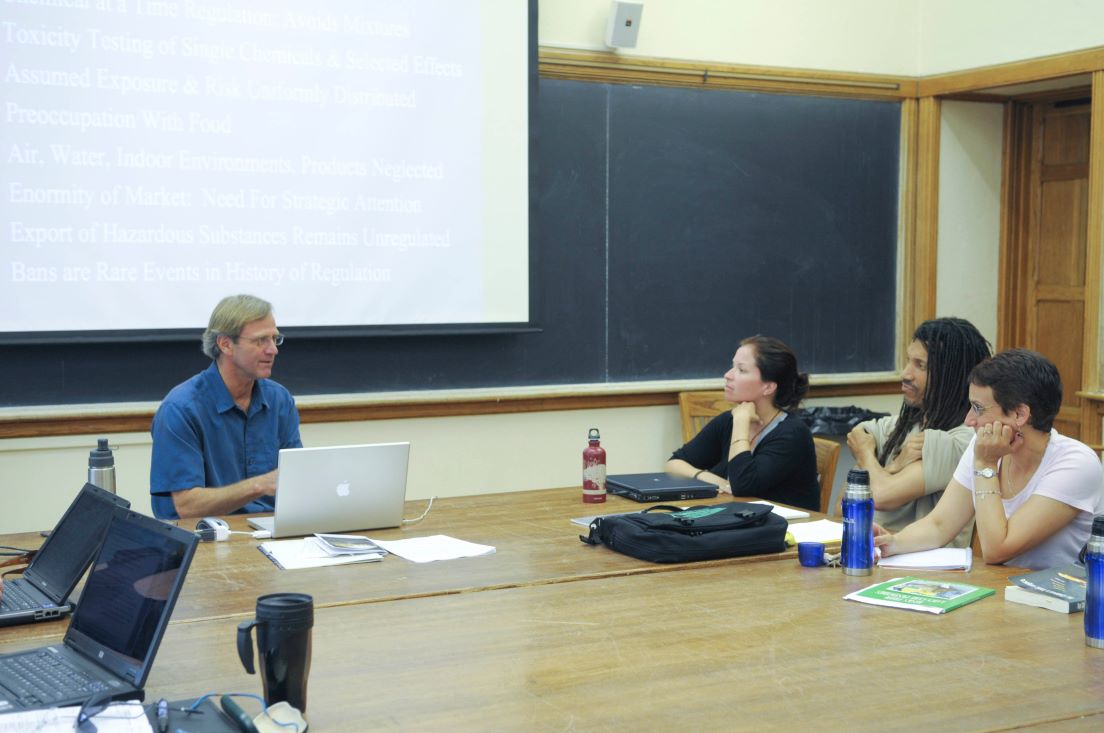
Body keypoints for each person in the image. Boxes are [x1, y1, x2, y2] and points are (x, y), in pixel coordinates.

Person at [875, 349, 1104, 570]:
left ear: (1019, 414)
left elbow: (996, 549)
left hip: (1066, 603)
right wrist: (893, 543)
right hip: (1009, 595)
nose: (968, 420)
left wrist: (985, 466)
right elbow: (940, 524)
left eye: (978, 408)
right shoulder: (984, 446)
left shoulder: (1076, 463)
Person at [150, 294, 302, 520]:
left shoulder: (279, 400)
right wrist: (259, 485)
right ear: (226, 344)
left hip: (273, 532)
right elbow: (186, 506)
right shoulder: (181, 409)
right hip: (205, 538)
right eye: (261, 340)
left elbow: (295, 479)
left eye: (275, 339)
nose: (273, 350)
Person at [847, 318, 991, 546]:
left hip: (927, 566)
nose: (905, 374)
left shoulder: (964, 440)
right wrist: (896, 466)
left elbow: (882, 495)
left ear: (950, 375)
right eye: (908, 361)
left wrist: (865, 454)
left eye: (920, 365)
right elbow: (844, 503)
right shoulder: (901, 426)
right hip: (880, 553)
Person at [666, 335, 819, 511]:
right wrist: (708, 477)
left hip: (785, 532)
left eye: (741, 370)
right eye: (732, 366)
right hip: (740, 522)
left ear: (768, 387)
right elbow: (674, 463)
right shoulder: (727, 421)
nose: (728, 375)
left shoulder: (792, 433)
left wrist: (740, 422)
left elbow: (743, 486)